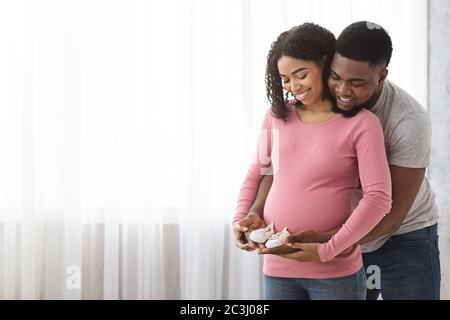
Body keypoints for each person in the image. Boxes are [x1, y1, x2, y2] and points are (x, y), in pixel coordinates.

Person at [239, 21, 441, 300]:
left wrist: (327, 245)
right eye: (336, 76)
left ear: (381, 76)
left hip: (401, 235)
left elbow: (390, 212)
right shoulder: (282, 114)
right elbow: (266, 169)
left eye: (357, 83)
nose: (343, 90)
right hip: (333, 241)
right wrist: (248, 216)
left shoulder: (406, 121)